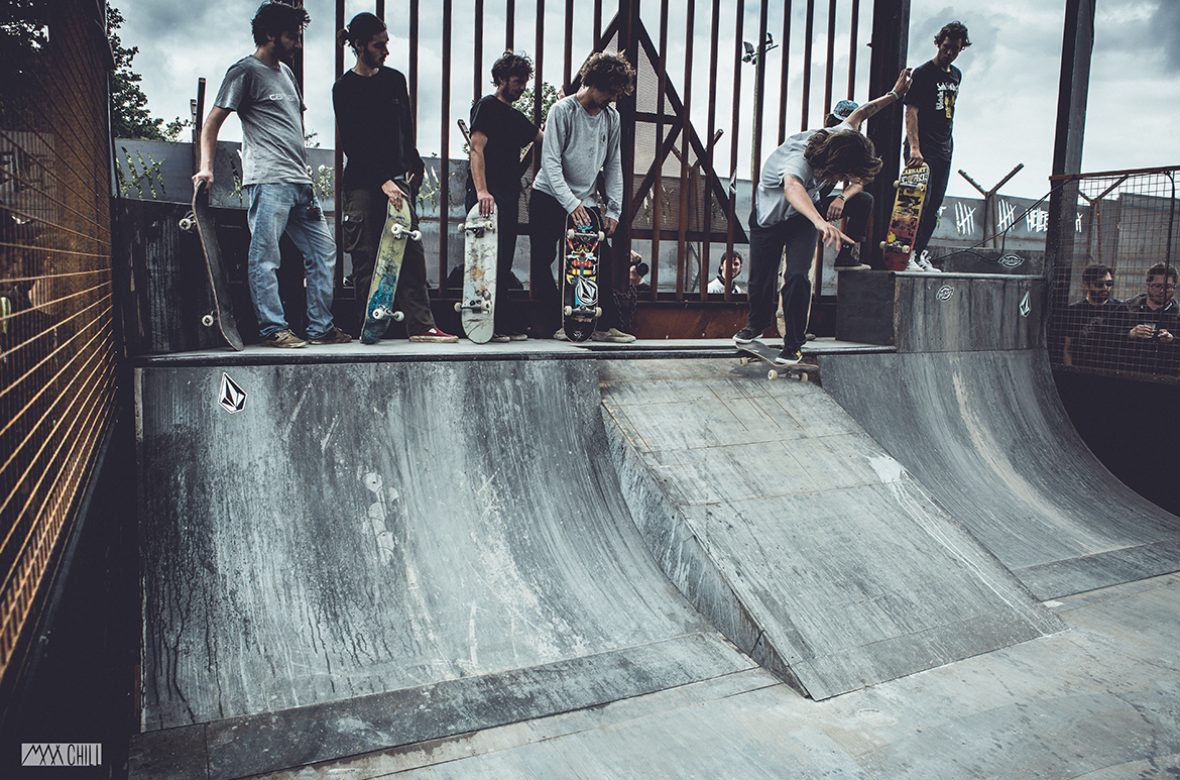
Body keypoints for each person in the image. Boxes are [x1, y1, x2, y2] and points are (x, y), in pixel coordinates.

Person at [194, 2, 351, 348]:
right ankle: (272, 329)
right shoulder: (244, 72)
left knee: (323, 251)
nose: (297, 44)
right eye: (292, 37)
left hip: (300, 183)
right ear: (269, 35)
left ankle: (320, 328)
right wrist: (206, 166)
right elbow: (212, 123)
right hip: (268, 180)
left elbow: (291, 126)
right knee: (265, 257)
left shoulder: (286, 74)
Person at [733, 75, 907, 365]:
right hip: (769, 219)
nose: (840, 181)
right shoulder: (798, 159)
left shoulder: (843, 134)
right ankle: (756, 324)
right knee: (761, 279)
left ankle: (794, 343)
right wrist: (819, 221)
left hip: (802, 219)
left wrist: (894, 93)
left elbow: (862, 112)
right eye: (840, 175)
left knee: (798, 276)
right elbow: (792, 187)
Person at [333, 12, 457, 343]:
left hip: (397, 181)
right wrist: (383, 179)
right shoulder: (344, 89)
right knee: (367, 257)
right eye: (378, 45)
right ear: (359, 45)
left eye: (386, 44)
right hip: (363, 183)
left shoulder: (394, 80)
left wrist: (413, 164)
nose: (385, 51)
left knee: (410, 254)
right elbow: (353, 142)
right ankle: (368, 326)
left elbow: (404, 128)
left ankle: (421, 326)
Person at [529, 51, 636, 342]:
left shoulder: (611, 118)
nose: (613, 98)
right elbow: (550, 162)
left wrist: (613, 209)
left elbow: (614, 163)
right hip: (549, 196)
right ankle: (557, 324)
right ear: (593, 82)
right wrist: (570, 203)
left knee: (597, 257)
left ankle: (602, 325)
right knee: (543, 261)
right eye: (610, 91)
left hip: (585, 200)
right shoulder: (562, 111)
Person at [465, 52, 544, 342]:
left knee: (503, 260)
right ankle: (485, 322)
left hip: (508, 196)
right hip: (487, 195)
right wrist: (483, 191)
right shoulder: (486, 107)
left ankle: (499, 322)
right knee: (486, 258)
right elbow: (477, 149)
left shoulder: (515, 116)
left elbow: (543, 138)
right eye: (517, 81)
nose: (522, 87)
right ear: (501, 79)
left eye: (524, 82)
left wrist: (563, 104)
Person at [904, 20, 971, 268]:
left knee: (934, 207)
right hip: (921, 148)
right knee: (917, 203)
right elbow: (911, 111)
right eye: (946, 47)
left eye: (955, 48)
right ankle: (907, 254)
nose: (949, 52)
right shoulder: (923, 73)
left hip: (944, 149)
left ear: (961, 48)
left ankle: (920, 254)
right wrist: (914, 147)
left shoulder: (956, 75)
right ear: (938, 43)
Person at [1115, 263, 1179, 375]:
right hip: (1128, 373)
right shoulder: (1127, 308)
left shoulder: (1178, 314)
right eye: (1158, 286)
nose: (1162, 291)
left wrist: (1172, 340)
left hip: (1165, 376)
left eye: (1168, 287)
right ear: (1148, 284)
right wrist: (1130, 334)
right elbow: (1105, 337)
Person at [1061, 264, 1121, 369]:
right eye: (1099, 284)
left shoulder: (1120, 309)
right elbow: (1067, 348)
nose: (1105, 288)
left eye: (1109, 283)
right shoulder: (1073, 312)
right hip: (1082, 371)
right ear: (1086, 285)